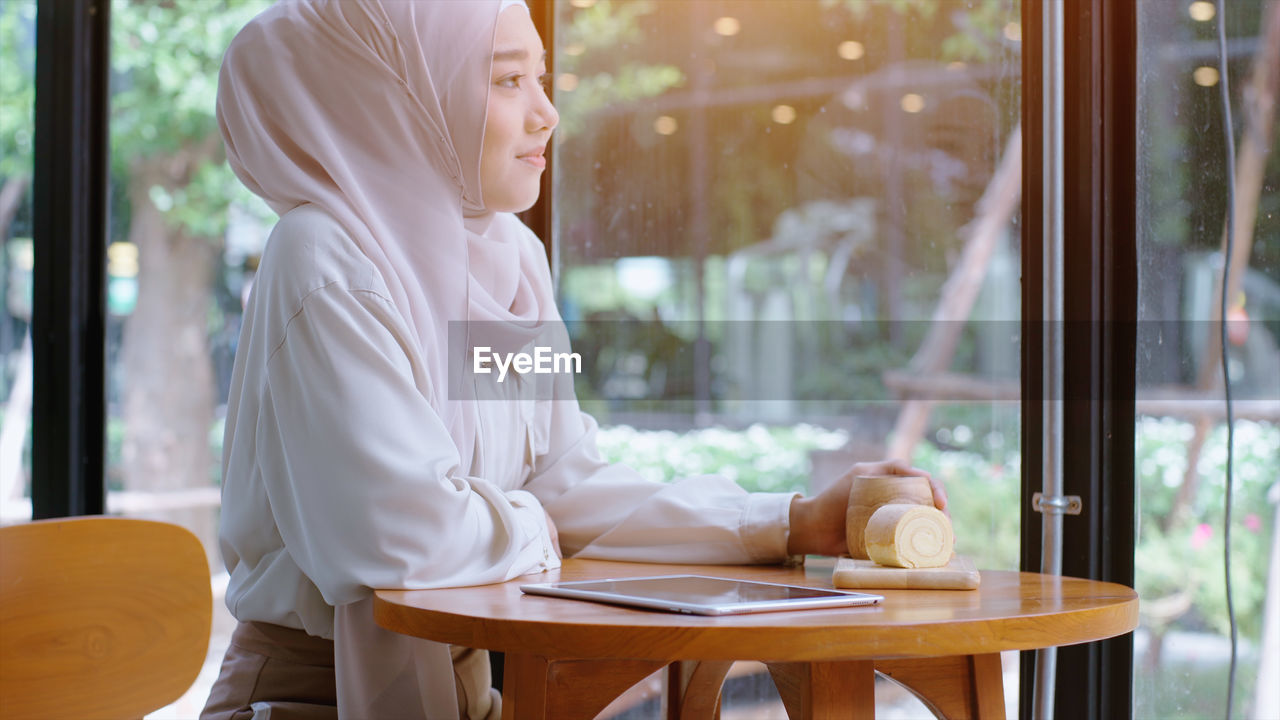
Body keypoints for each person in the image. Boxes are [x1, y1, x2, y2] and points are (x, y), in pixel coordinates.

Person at [202, 2, 947, 719]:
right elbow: (400, 541)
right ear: (402, 96)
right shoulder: (323, 257)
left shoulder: (509, 257)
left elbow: (563, 480)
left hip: (473, 691)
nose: (546, 112)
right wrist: (533, 525)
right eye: (506, 79)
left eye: (542, 77)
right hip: (308, 701)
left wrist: (793, 521)